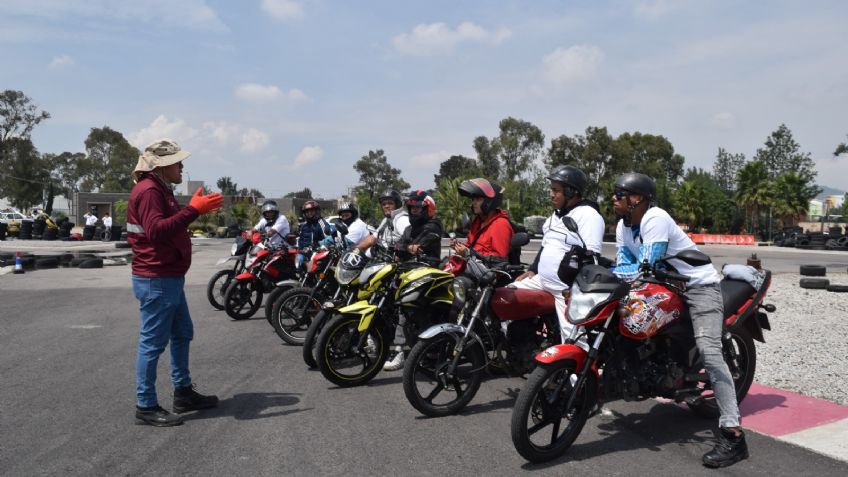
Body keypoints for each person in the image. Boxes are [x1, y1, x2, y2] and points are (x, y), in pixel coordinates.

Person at [610, 172, 747, 468]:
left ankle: (733, 434)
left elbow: (648, 263)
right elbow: (623, 265)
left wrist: (625, 273)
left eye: (619, 194)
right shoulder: (624, 226)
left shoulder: (655, 217)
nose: (614, 199)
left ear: (637, 199)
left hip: (697, 287)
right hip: (661, 285)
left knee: (710, 352)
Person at [127, 138, 224, 427]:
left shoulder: (160, 189)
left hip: (168, 277)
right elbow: (157, 231)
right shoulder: (148, 191)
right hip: (156, 278)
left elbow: (169, 226)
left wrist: (195, 208)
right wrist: (194, 210)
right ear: (163, 166)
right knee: (152, 343)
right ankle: (145, 405)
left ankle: (182, 392)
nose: (182, 166)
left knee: (182, 333)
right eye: (178, 162)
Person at [511, 166, 604, 343]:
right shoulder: (555, 216)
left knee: (573, 339)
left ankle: (576, 369)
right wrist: (532, 270)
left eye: (556, 190)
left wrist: (576, 293)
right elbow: (546, 245)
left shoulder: (588, 215)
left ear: (570, 192)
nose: (551, 194)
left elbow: (592, 259)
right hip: (541, 280)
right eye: (551, 190)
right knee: (506, 296)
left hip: (565, 288)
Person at [384, 190, 444, 371]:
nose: (414, 211)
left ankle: (399, 351)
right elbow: (400, 245)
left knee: (406, 307)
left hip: (427, 273)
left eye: (418, 208)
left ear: (428, 209)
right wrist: (404, 248)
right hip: (410, 271)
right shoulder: (411, 227)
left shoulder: (433, 225)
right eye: (412, 208)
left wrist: (407, 248)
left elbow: (417, 246)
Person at [451, 178, 514, 260]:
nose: (474, 202)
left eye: (478, 199)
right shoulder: (478, 221)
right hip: (473, 268)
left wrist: (469, 253)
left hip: (489, 271)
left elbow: (500, 259)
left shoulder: (500, 224)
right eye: (473, 199)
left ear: (489, 201)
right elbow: (470, 246)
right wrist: (459, 247)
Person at [357, 189, 410, 257]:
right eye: (384, 204)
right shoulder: (387, 220)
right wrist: (356, 250)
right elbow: (373, 238)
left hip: (397, 262)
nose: (386, 206)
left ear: (397, 204)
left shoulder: (401, 219)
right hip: (383, 258)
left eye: (390, 203)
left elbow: (411, 240)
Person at [296, 200, 334, 268]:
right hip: (305, 253)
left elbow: (327, 239)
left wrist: (317, 247)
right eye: (307, 211)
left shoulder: (321, 223)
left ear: (316, 211)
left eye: (311, 211)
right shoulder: (304, 226)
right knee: (297, 263)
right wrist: (299, 250)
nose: (309, 213)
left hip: (318, 254)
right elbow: (300, 240)